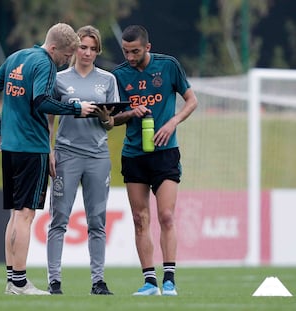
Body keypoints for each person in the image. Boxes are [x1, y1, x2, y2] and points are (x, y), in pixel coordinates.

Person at [0, 23, 97, 296]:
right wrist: (76, 108)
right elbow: (42, 101)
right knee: (25, 215)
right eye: (67, 55)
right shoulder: (44, 63)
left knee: (15, 215)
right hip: (32, 148)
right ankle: (21, 283)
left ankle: (12, 280)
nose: (66, 61)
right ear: (54, 48)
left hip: (10, 147)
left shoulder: (17, 58)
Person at [112, 25, 198, 296]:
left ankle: (169, 280)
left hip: (165, 153)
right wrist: (130, 113)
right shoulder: (118, 75)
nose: (130, 56)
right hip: (134, 154)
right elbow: (110, 120)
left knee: (167, 216)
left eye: (135, 51)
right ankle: (150, 282)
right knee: (140, 218)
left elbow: (191, 101)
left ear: (147, 47)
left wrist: (172, 122)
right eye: (126, 52)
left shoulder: (169, 66)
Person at [46, 25, 118, 295]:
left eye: (92, 48)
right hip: (67, 154)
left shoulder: (108, 80)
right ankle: (54, 281)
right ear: (74, 48)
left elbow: (110, 123)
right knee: (59, 219)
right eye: (82, 47)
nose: (87, 53)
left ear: (98, 51)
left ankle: (98, 281)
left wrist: (105, 118)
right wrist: (49, 149)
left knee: (97, 220)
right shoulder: (59, 78)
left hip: (98, 155)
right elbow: (49, 116)